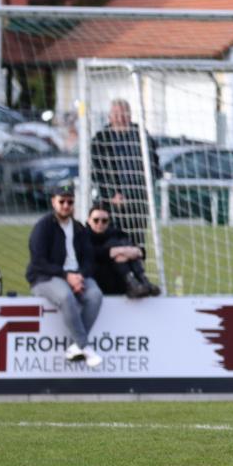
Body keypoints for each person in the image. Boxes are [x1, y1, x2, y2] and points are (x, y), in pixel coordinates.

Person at [26, 183, 103, 368]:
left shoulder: (78, 228)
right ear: (53, 202)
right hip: (45, 278)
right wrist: (66, 275)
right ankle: (85, 347)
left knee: (95, 296)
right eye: (62, 201)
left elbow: (88, 259)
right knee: (66, 296)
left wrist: (80, 276)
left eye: (70, 202)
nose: (66, 205)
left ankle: (74, 346)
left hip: (76, 276)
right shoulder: (43, 227)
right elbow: (38, 262)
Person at [91, 98, 161, 248]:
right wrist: (111, 194)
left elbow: (154, 164)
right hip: (113, 202)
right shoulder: (101, 139)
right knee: (112, 242)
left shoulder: (141, 135)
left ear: (130, 115)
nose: (120, 117)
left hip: (138, 199)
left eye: (123, 113)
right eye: (116, 113)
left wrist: (147, 189)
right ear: (109, 116)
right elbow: (97, 171)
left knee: (136, 243)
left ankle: (137, 270)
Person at [86, 202, 160, 298]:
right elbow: (94, 253)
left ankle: (141, 281)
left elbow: (140, 250)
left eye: (104, 220)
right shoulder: (84, 236)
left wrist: (136, 251)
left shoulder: (116, 233)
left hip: (117, 279)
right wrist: (118, 251)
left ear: (109, 221)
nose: (100, 223)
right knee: (115, 246)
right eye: (96, 220)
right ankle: (136, 282)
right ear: (88, 220)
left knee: (123, 243)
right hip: (98, 278)